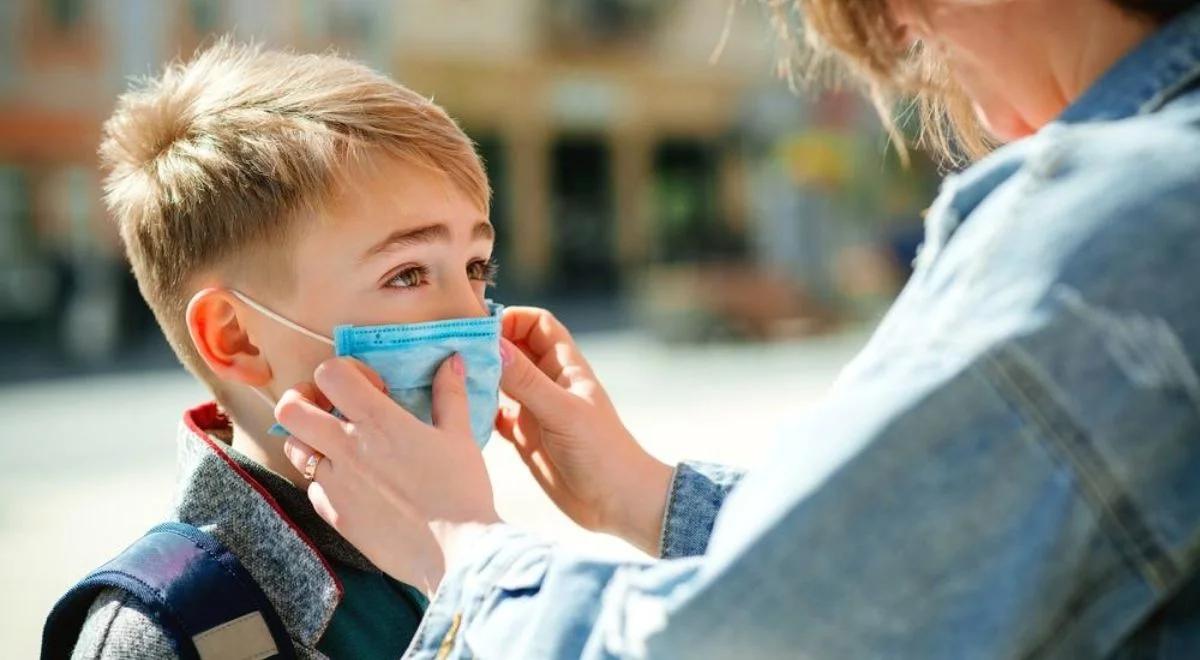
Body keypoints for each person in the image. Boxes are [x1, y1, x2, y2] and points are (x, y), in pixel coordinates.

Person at [277, 0, 1200, 658]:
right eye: (406, 272)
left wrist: (460, 543)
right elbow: (918, 565)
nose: (912, 47)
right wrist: (644, 495)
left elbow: (748, 642)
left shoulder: (1115, 216)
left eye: (476, 267)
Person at [48, 40, 502, 658]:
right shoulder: (175, 628)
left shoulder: (441, 534)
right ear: (236, 337)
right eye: (408, 273)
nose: (473, 316)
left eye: (477, 266)